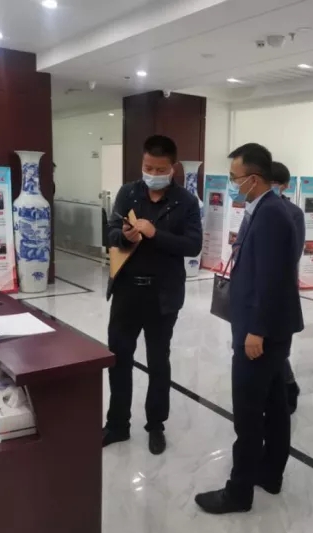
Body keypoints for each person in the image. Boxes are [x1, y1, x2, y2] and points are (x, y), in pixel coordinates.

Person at [195, 144, 304, 514]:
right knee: (274, 405)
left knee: (248, 413)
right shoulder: (265, 208)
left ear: (253, 179)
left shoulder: (271, 214)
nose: (231, 183)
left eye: (234, 178)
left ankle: (238, 492)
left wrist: (255, 330)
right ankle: (270, 474)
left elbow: (273, 279)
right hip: (268, 326)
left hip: (261, 331)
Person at [103, 135, 202, 455]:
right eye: (148, 167)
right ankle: (117, 424)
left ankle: (155, 424)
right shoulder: (128, 193)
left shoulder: (186, 202)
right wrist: (125, 236)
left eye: (160, 169)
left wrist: (155, 233)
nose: (153, 173)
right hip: (127, 292)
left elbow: (193, 245)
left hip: (163, 295)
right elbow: (111, 232)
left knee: (159, 361)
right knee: (119, 358)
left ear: (172, 168)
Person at [233, 161, 305, 413]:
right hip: (249, 296)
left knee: (272, 355)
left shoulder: (288, 213)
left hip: (272, 295)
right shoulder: (253, 208)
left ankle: (288, 387)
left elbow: (289, 257)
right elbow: (241, 242)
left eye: (275, 184)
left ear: (283, 186)